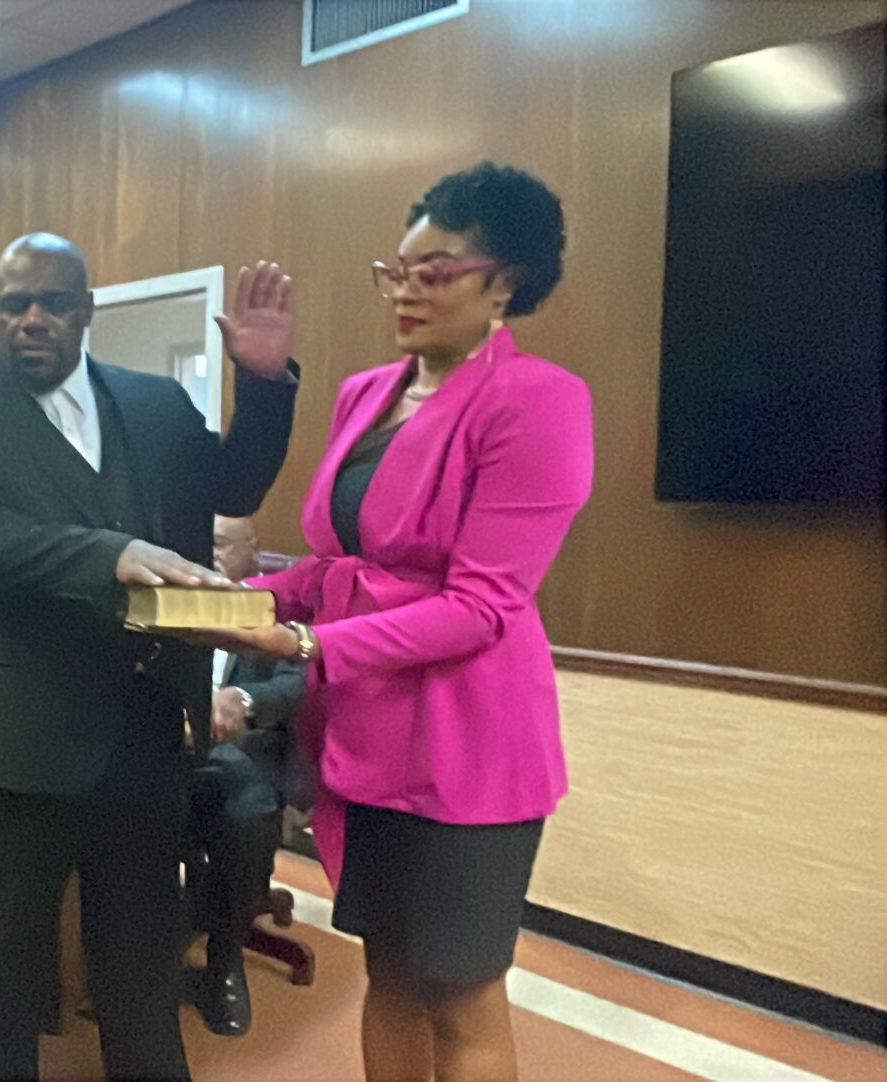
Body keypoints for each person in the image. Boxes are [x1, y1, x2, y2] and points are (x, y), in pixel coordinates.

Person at [211, 162, 590, 1082]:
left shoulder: (537, 400)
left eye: (436, 272)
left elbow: (480, 607)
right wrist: (232, 601)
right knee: (387, 967)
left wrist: (303, 645)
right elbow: (338, 565)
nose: (406, 293)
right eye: (399, 271)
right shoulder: (365, 393)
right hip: (368, 733)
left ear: (503, 281)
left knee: (458, 990)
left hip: (468, 745)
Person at [0, 231, 301, 1081]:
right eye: (13, 305)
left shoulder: (154, 405)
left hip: (144, 737)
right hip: (13, 746)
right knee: (1, 976)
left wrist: (263, 386)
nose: (31, 320)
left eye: (51, 302)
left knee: (139, 968)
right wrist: (107, 554)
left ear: (85, 311)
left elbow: (231, 488)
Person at [189, 514, 307, 1037]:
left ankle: (223, 961)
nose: (207, 556)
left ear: (252, 551)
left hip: (245, 751)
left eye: (219, 545)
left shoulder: (280, 608)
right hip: (169, 747)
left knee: (249, 809)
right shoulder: (176, 597)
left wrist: (241, 700)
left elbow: (295, 684)